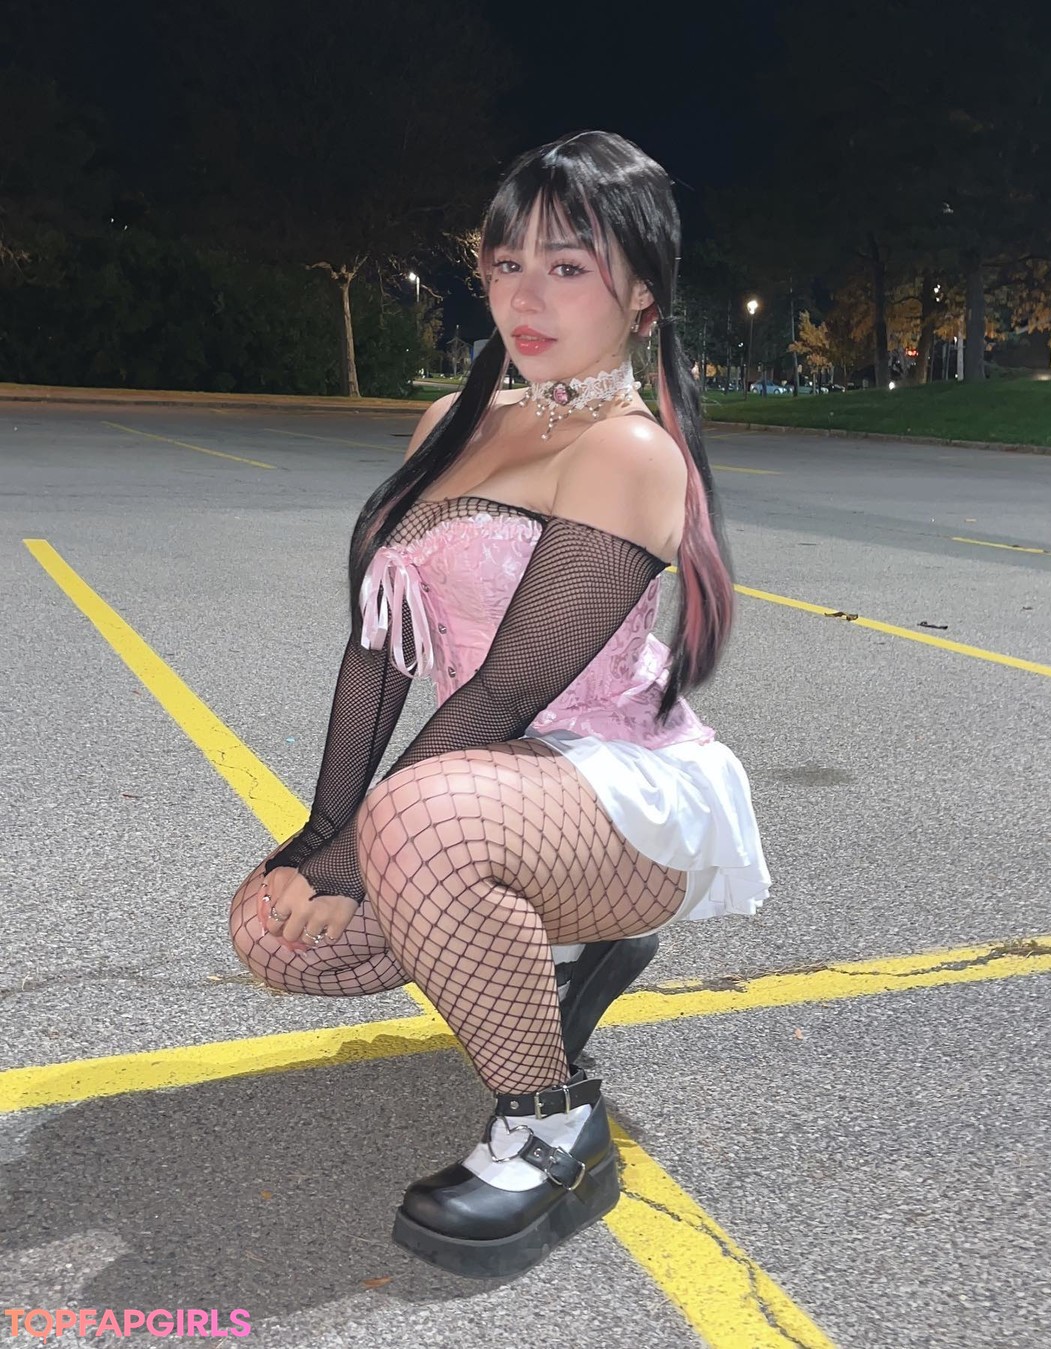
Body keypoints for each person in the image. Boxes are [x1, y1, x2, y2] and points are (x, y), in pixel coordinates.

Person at [228, 129, 771, 1279]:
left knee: (416, 829)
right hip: (486, 787)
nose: (525, 295)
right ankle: (559, 956)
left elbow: (510, 688)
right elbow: (379, 645)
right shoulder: (449, 423)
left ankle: (555, 1133)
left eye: (567, 266)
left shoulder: (631, 452)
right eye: (505, 261)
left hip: (622, 794)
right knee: (271, 937)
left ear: (641, 295)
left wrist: (357, 860)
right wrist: (319, 836)